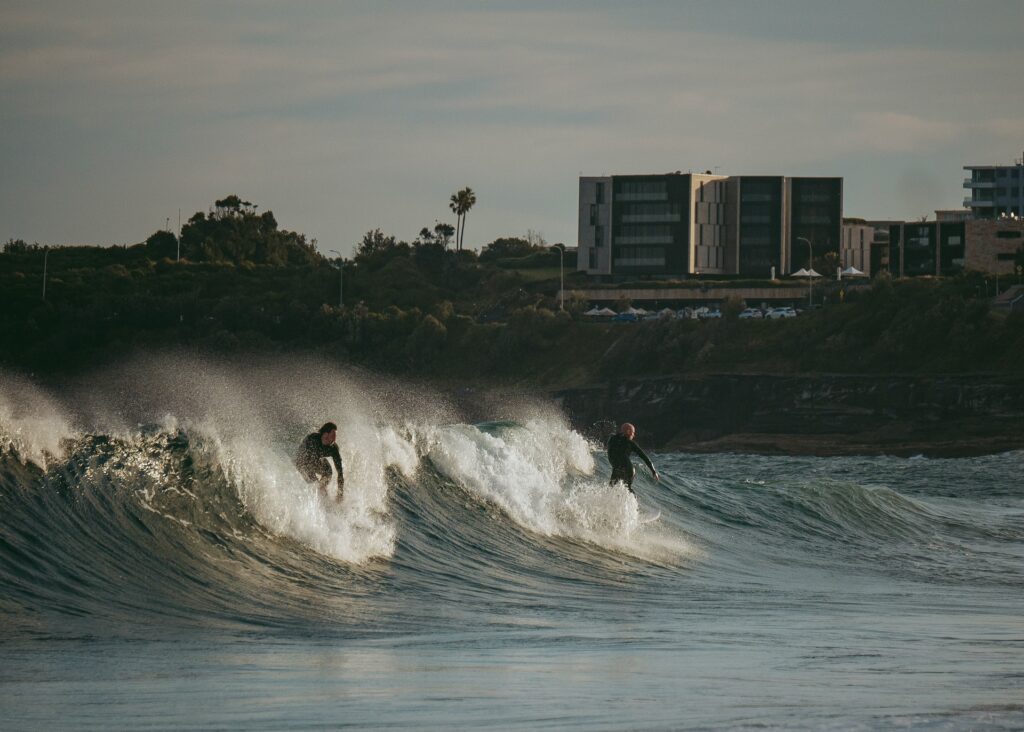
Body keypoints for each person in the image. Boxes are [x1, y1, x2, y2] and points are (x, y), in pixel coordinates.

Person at [295, 422, 344, 500]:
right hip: (302, 461)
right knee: (314, 483)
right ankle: (315, 497)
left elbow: (340, 472)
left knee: (328, 471)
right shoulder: (313, 440)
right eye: (333, 436)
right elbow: (306, 462)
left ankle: (324, 496)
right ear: (325, 434)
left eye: (335, 436)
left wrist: (340, 493)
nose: (334, 439)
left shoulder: (333, 448)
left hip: (316, 459)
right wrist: (316, 482)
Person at [607, 422, 659, 493]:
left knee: (612, 488)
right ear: (628, 431)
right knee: (627, 489)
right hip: (628, 470)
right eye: (633, 432)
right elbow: (644, 457)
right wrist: (653, 471)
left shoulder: (612, 438)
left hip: (619, 468)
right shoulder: (630, 443)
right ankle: (631, 503)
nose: (633, 435)